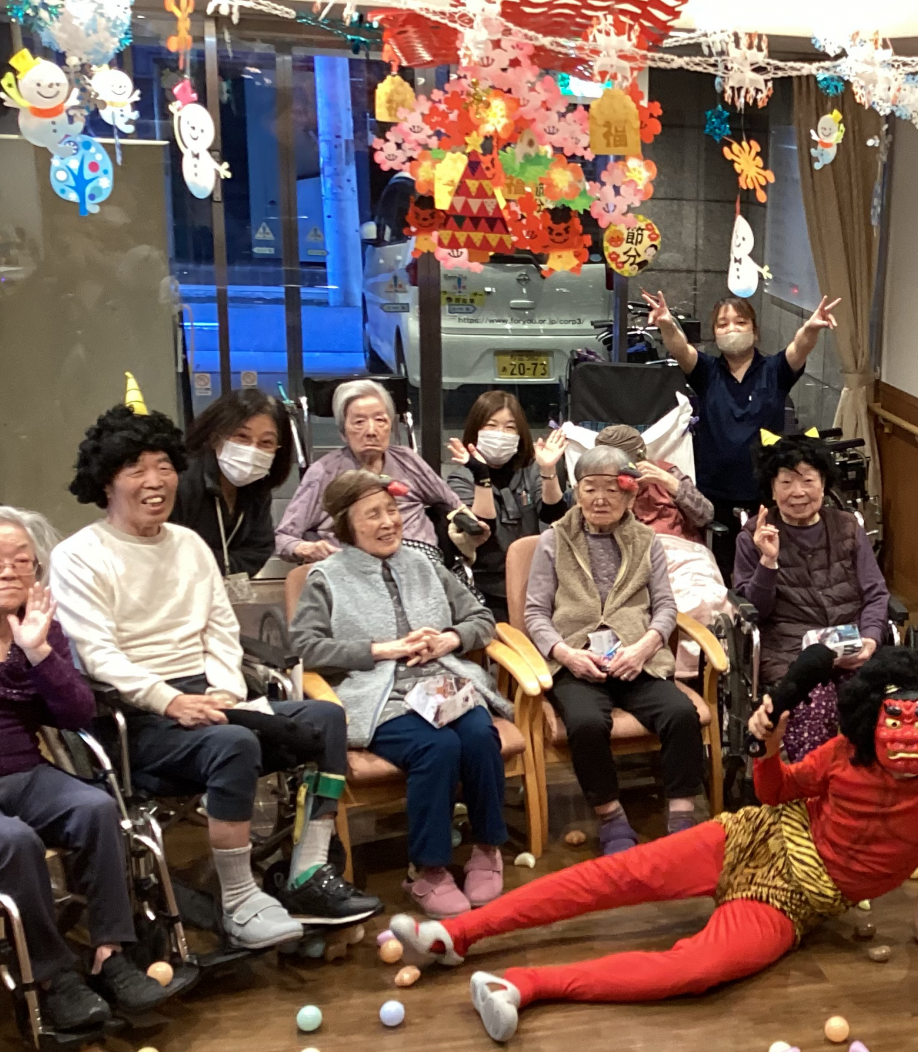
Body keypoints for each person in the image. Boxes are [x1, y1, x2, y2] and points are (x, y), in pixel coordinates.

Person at [386, 648, 918, 1046]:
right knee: (617, 875)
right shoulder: (843, 754)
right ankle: (456, 935)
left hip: (795, 899)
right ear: (872, 718)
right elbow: (777, 794)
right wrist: (769, 748)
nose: (909, 738)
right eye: (896, 721)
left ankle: (524, 984)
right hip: (759, 834)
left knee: (697, 968)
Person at [50, 404, 379, 947]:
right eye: (136, 469)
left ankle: (308, 872)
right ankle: (239, 897)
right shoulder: (79, 556)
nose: (155, 481)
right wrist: (170, 700)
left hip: (211, 696)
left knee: (325, 719)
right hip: (136, 718)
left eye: (164, 466)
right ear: (106, 481)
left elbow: (220, 628)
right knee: (232, 744)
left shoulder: (189, 545)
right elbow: (96, 655)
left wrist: (225, 687)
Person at [0, 507, 180, 1031]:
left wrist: (39, 653)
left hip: (27, 771)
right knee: (12, 841)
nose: (9, 571)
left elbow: (77, 714)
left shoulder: (39, 625)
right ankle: (52, 975)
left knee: (97, 808)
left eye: (23, 560)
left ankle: (110, 954)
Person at [290, 471, 514, 917]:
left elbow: (481, 618)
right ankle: (428, 870)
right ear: (347, 524)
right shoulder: (326, 577)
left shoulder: (425, 563)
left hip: (445, 684)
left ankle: (487, 849)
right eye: (372, 515)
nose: (388, 522)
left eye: (391, 510)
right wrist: (380, 650)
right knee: (437, 746)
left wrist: (450, 639)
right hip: (379, 696)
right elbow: (305, 647)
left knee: (478, 735)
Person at [523, 444, 703, 852]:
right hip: (578, 662)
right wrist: (566, 654)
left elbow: (666, 606)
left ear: (629, 495)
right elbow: (535, 613)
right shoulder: (554, 540)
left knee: (680, 713)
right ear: (577, 492)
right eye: (590, 489)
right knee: (586, 723)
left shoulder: (646, 540)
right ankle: (611, 817)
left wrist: (644, 648)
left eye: (611, 489)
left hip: (637, 660)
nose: (600, 499)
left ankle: (681, 816)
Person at [642, 290, 841, 575]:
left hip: (765, 491)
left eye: (740, 322)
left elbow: (800, 347)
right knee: (720, 569)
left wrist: (811, 328)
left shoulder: (775, 369)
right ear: (714, 334)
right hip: (714, 491)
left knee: (765, 566)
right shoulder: (706, 371)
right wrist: (666, 323)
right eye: (722, 324)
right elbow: (680, 348)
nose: (732, 329)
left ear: (755, 331)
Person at [731, 435, 890, 762]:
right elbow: (756, 611)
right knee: (815, 704)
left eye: (807, 481)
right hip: (791, 652)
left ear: (824, 484)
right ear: (772, 487)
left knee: (880, 706)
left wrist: (871, 639)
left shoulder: (848, 527)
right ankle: (815, 788)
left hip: (853, 645)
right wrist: (768, 561)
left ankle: (866, 787)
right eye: (786, 482)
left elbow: (876, 592)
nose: (798, 492)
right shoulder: (753, 537)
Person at [276, 379, 465, 563]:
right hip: (355, 567)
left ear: (391, 427)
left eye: (380, 420)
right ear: (343, 432)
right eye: (359, 422)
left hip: (420, 561)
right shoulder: (324, 472)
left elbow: (454, 505)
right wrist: (308, 548)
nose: (371, 431)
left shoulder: (408, 460)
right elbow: (284, 538)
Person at [593, 424, 729, 680]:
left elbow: (706, 515)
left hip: (684, 551)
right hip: (634, 556)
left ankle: (704, 673)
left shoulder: (667, 472)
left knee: (705, 599)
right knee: (651, 607)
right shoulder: (597, 487)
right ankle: (662, 670)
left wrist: (670, 483)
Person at [442, 390, 567, 620]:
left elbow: (554, 515)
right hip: (487, 589)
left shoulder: (529, 469)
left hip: (535, 582)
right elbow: (481, 531)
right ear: (476, 430)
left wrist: (548, 469)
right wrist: (481, 475)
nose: (500, 434)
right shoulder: (460, 478)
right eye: (491, 425)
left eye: (510, 427)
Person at [170, 387, 296, 586]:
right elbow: (173, 552)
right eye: (242, 437)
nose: (252, 450)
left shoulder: (257, 489)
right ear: (215, 435)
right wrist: (224, 564)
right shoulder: (182, 481)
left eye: (266, 442)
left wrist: (214, 564)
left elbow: (259, 551)